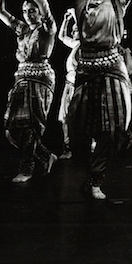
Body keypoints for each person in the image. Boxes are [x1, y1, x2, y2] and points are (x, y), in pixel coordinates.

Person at [53, 0, 132, 199]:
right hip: (86, 68)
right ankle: (87, 172)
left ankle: (95, 179)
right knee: (77, 129)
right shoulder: (79, 0)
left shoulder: (119, 1)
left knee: (115, 127)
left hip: (113, 67)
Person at [0, 0, 58, 183]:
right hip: (21, 79)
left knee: (30, 126)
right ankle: (47, 156)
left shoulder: (48, 29)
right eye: (25, 11)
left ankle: (27, 168)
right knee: (13, 127)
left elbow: (45, 3)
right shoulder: (22, 29)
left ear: (40, 13)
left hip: (40, 78)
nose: (28, 15)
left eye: (32, 11)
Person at [57, 8, 79, 160]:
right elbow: (61, 36)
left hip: (81, 87)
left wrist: (76, 17)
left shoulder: (87, 44)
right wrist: (66, 20)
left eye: (76, 30)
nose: (73, 32)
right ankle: (67, 148)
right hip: (69, 86)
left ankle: (91, 147)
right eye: (73, 30)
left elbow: (87, 29)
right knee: (65, 117)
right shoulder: (75, 44)